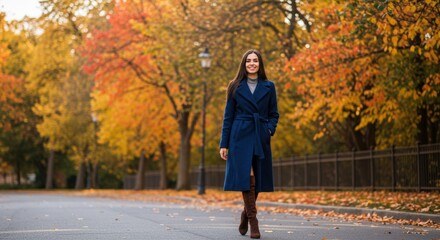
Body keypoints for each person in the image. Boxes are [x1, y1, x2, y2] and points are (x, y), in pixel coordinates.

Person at [219, 49, 279, 239]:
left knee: (258, 181)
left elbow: (274, 114)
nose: (252, 63)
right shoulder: (234, 86)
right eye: (248, 61)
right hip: (240, 135)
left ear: (260, 64)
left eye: (255, 60)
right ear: (244, 64)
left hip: (260, 135)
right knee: (248, 177)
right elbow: (228, 117)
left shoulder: (269, 86)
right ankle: (254, 222)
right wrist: (224, 143)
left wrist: (269, 129)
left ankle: (245, 215)